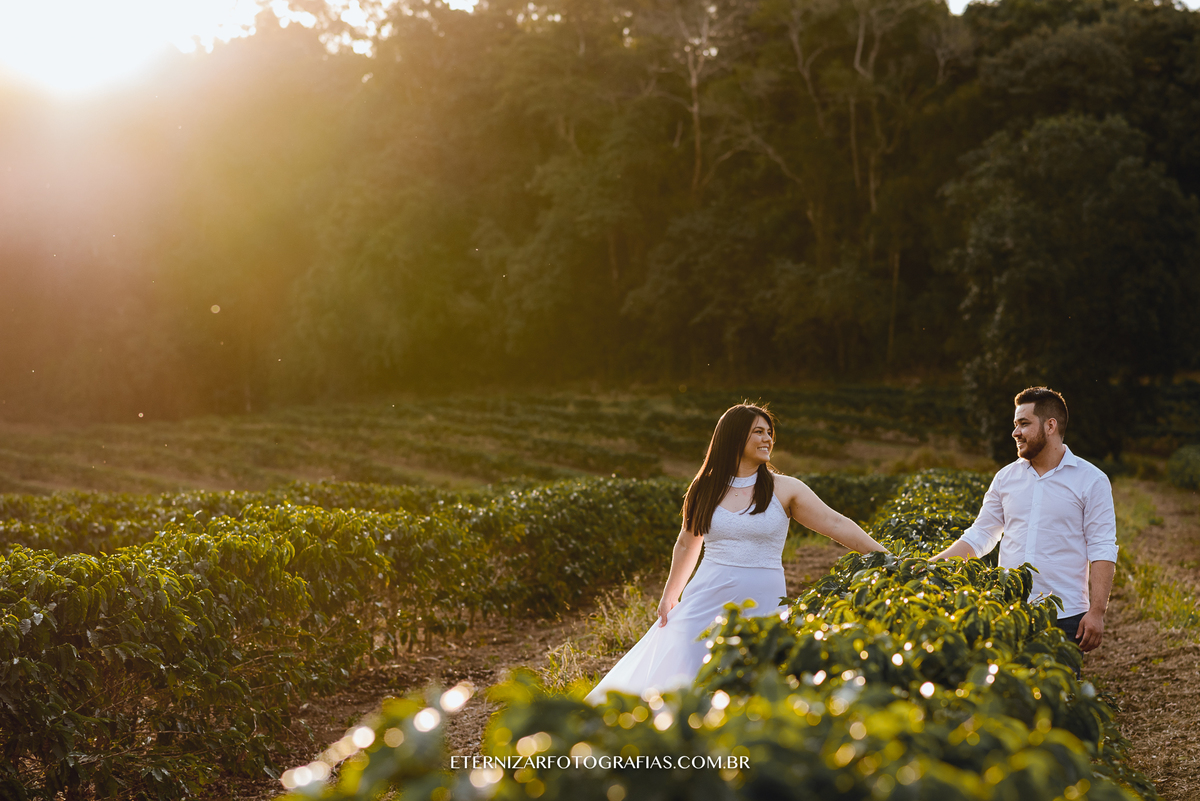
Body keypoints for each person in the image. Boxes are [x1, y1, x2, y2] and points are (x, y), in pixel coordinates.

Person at [585, 403, 888, 705]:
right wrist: (670, 595)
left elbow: (836, 523)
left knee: (753, 676)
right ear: (734, 437)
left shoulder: (786, 489)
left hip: (764, 600)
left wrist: (888, 558)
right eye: (758, 432)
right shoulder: (704, 488)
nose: (767, 439)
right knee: (685, 670)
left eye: (770, 432)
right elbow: (687, 544)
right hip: (706, 595)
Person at [932, 387, 1118, 654]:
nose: (1015, 432)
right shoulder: (1005, 478)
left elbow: (1101, 547)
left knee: (1059, 694)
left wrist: (1097, 611)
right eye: (1015, 424)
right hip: (1009, 610)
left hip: (1064, 617)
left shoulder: (1092, 480)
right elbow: (981, 535)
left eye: (1024, 424)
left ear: (1050, 425)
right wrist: (933, 566)